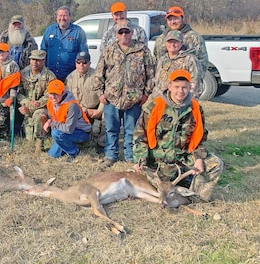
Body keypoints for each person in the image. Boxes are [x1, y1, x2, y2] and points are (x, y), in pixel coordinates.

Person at [133, 70, 223, 201]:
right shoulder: (155, 105)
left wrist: (198, 158)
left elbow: (199, 138)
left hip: (183, 158)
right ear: (169, 86)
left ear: (189, 87)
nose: (180, 91)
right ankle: (181, 184)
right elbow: (139, 135)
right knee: (156, 182)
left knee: (215, 164)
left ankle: (196, 197)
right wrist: (140, 160)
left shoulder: (196, 108)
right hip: (159, 161)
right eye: (176, 87)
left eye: (184, 87)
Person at [93, 21, 155, 167]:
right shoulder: (109, 50)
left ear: (132, 32)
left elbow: (151, 75)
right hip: (111, 98)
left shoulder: (142, 50)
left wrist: (146, 94)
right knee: (111, 129)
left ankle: (130, 156)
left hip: (134, 99)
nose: (124, 35)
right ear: (116, 34)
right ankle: (110, 155)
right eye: (120, 32)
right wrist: (100, 93)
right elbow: (98, 73)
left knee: (131, 130)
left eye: (127, 32)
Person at [65, 51, 105, 154]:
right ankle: (79, 140)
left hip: (96, 107)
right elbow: (68, 99)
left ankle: (102, 144)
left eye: (84, 62)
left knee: (108, 115)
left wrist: (99, 111)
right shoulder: (70, 78)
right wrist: (84, 110)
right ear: (75, 63)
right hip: (79, 110)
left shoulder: (97, 76)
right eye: (78, 62)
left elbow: (104, 95)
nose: (81, 65)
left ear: (89, 63)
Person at [17, 49, 57, 154]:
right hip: (26, 105)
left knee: (40, 116)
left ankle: (40, 145)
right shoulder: (23, 73)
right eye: (32, 59)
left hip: (42, 107)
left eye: (38, 60)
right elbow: (17, 92)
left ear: (43, 61)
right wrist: (26, 103)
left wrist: (38, 104)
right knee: (29, 139)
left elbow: (51, 95)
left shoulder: (50, 76)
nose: (34, 62)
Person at [42, 79, 91, 162]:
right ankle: (67, 144)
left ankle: (74, 152)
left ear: (63, 92)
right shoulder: (50, 102)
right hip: (63, 130)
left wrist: (50, 123)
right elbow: (54, 118)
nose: (53, 97)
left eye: (56, 94)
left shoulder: (72, 106)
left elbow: (69, 129)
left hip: (81, 132)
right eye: (51, 93)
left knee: (56, 133)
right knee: (52, 155)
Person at [154, 6, 209, 74]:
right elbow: (156, 61)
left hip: (185, 81)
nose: (173, 22)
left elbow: (202, 62)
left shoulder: (193, 37)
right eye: (170, 20)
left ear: (182, 18)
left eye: (176, 19)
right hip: (165, 82)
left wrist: (192, 81)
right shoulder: (161, 39)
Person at [151, 29, 203, 99]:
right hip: (160, 100)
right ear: (165, 43)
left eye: (176, 42)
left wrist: (189, 101)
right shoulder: (162, 60)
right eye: (169, 42)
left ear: (181, 43)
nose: (172, 44)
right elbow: (157, 82)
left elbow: (196, 83)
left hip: (179, 101)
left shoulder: (189, 59)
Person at [41, 5, 88, 82]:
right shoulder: (49, 30)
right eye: (60, 15)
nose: (62, 18)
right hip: (50, 76)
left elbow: (83, 54)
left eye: (65, 15)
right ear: (56, 17)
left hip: (70, 77)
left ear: (70, 17)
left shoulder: (78, 31)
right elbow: (43, 51)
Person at [0, 43, 21, 140]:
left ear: (8, 52)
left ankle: (3, 136)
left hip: (6, 96)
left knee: (3, 117)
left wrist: (11, 98)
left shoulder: (13, 65)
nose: (1, 54)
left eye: (3, 51)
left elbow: (15, 84)